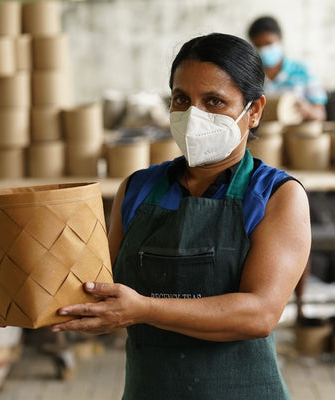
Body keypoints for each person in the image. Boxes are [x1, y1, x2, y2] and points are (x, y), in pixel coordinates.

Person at [51, 33, 311, 399]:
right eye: (181, 99)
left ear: (253, 111)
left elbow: (259, 314)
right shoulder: (137, 190)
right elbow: (99, 292)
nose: (194, 116)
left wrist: (143, 309)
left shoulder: (276, 196)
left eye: (214, 101)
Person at [248, 16, 327, 121]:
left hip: (296, 134)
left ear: (280, 39)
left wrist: (307, 110)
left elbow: (320, 114)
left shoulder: (302, 70)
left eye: (269, 43)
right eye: (258, 46)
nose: (264, 50)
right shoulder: (251, 75)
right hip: (265, 135)